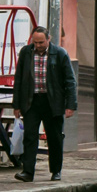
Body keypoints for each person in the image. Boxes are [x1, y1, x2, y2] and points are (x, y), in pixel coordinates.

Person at [13, 26, 77, 182]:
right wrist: (16, 105)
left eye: (41, 42)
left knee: (55, 137)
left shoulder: (60, 54)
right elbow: (19, 80)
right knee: (29, 137)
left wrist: (70, 105)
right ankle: (28, 172)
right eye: (35, 42)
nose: (38, 45)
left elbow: (70, 81)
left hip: (52, 102)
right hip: (31, 101)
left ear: (49, 39)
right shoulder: (26, 53)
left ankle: (56, 171)